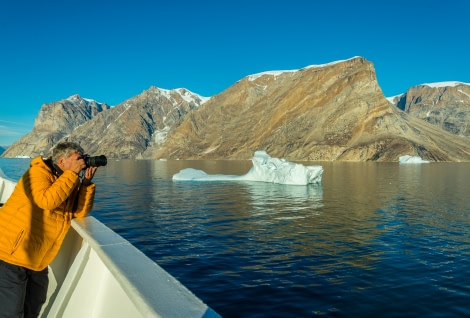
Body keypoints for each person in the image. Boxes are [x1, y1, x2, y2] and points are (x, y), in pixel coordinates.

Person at [0, 142, 98, 318]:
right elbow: (46, 201)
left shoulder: (67, 179)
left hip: (38, 257)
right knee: (11, 311)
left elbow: (78, 212)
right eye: (78, 158)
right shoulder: (37, 173)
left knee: (34, 305)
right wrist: (72, 175)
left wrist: (85, 184)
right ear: (62, 160)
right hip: (10, 254)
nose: (82, 162)